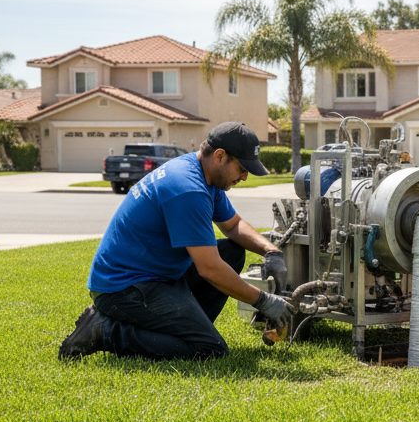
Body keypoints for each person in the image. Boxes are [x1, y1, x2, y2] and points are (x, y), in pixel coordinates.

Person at [58, 122, 293, 361]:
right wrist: (263, 301)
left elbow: (232, 225)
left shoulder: (204, 174)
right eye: (242, 168)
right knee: (210, 350)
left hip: (155, 276)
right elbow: (209, 268)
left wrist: (271, 251)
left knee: (232, 252)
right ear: (220, 156)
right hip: (124, 288)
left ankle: (188, 331)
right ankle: (104, 330)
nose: (244, 177)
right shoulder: (188, 189)